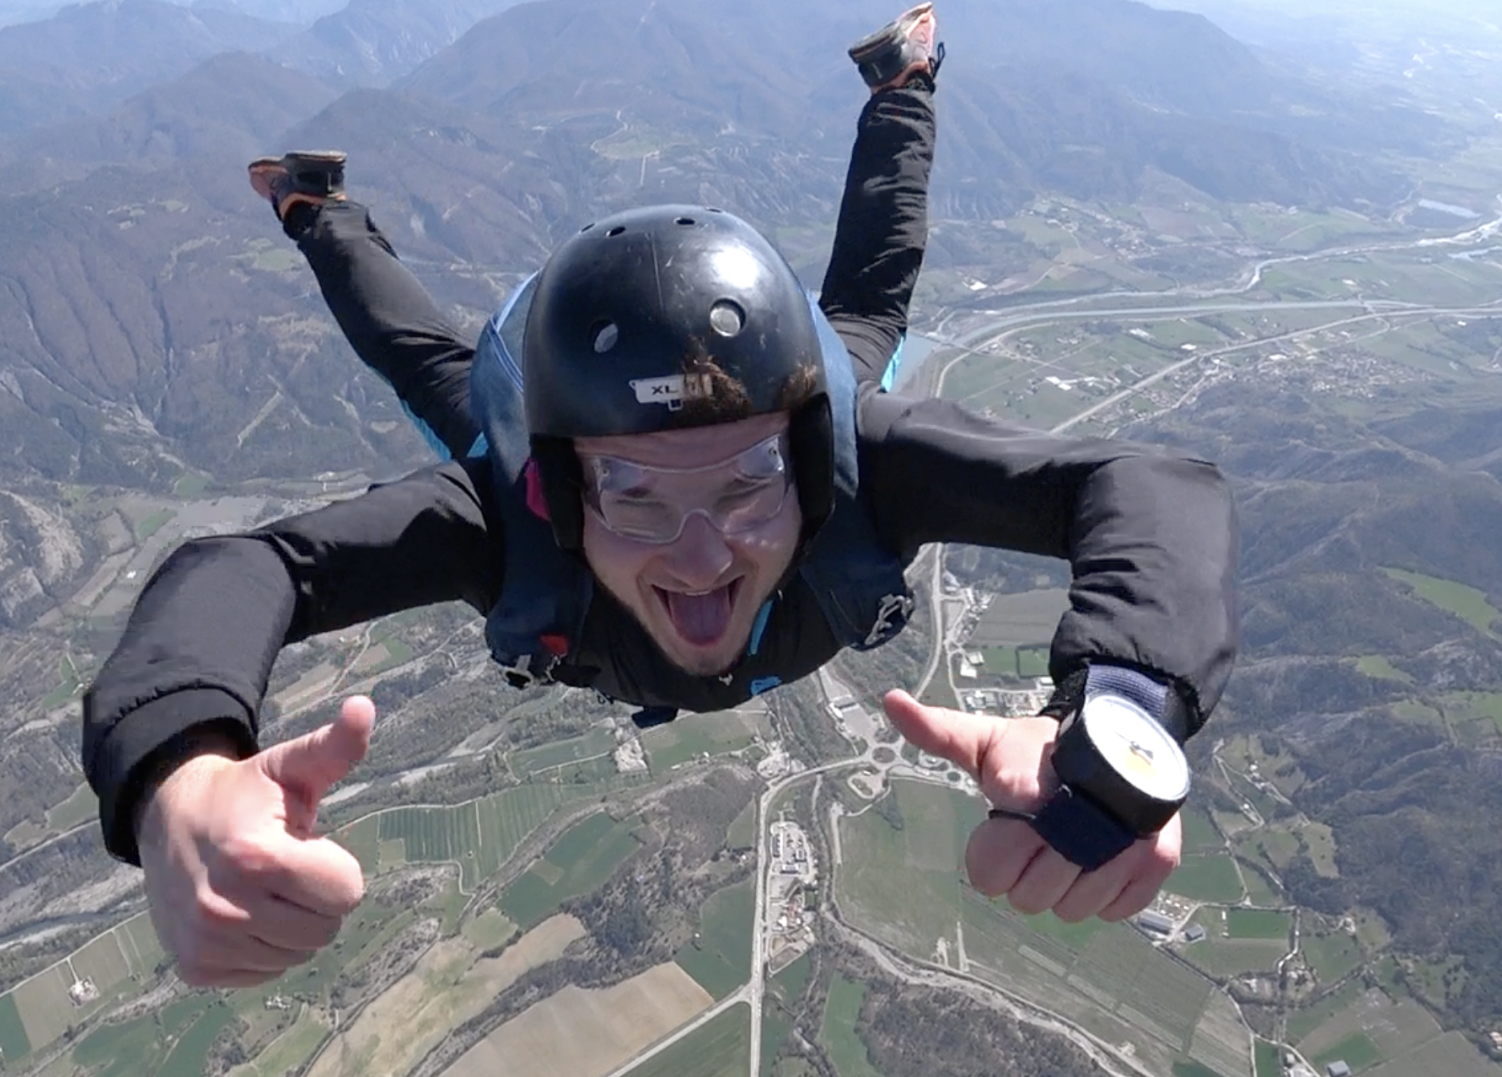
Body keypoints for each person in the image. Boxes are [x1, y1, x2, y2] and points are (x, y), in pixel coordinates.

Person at [81, 4, 1240, 990]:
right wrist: (182, 774)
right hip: (575, 451)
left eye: (748, 483)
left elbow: (1148, 492)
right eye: (631, 492)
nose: (700, 555)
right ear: (561, 488)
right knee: (431, 370)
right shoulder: (510, 511)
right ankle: (315, 208)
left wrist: (1117, 719)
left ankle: (903, 87)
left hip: (742, 429)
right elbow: (246, 570)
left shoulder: (858, 463)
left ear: (807, 460)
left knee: (866, 313)